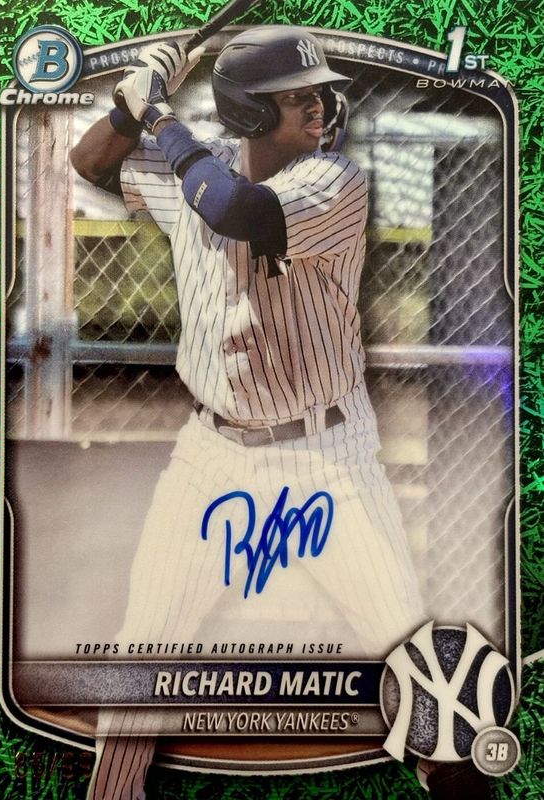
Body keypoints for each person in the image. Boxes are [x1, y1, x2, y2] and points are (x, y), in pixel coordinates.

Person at [71, 26, 426, 800]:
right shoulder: (190, 172)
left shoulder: (332, 181)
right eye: (294, 98)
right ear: (247, 112)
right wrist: (131, 105)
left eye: (320, 94)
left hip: (325, 458)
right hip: (211, 456)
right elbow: (90, 163)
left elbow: (233, 208)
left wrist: (158, 114)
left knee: (418, 671)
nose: (319, 107)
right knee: (142, 655)